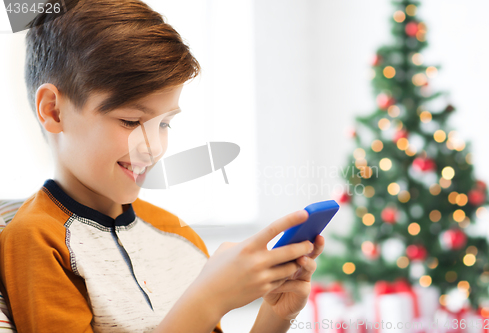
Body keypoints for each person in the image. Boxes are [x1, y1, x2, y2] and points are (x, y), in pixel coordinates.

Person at [0, 0, 325, 332]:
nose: (153, 148)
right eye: (130, 121)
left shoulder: (177, 234)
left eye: (165, 124)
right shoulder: (37, 240)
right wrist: (208, 299)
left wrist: (276, 316)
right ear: (53, 111)